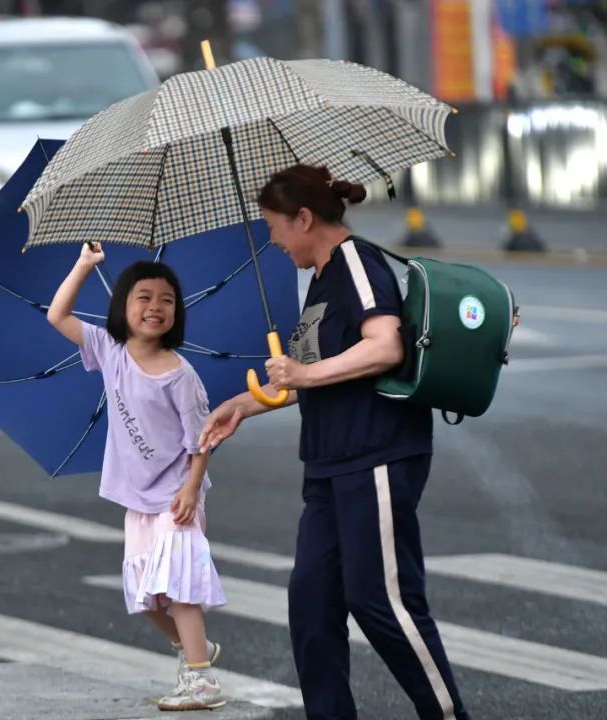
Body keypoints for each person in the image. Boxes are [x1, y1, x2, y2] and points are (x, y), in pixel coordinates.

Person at [199, 165, 471, 720]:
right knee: (312, 603)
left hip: (375, 454)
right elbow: (314, 369)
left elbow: (385, 347)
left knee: (382, 601)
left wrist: (304, 376)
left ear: (304, 218)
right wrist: (244, 408)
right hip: (328, 461)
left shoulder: (356, 263)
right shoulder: (321, 277)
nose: (272, 241)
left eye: (275, 227)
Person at [47, 244, 227, 711]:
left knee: (180, 587)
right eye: (142, 297)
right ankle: (195, 651)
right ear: (122, 308)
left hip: (176, 496)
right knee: (147, 597)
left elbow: (202, 440)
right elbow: (57, 315)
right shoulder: (109, 350)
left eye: (166, 300)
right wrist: (85, 266)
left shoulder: (180, 376)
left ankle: (202, 681)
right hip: (137, 498)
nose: (155, 307)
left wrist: (191, 489)